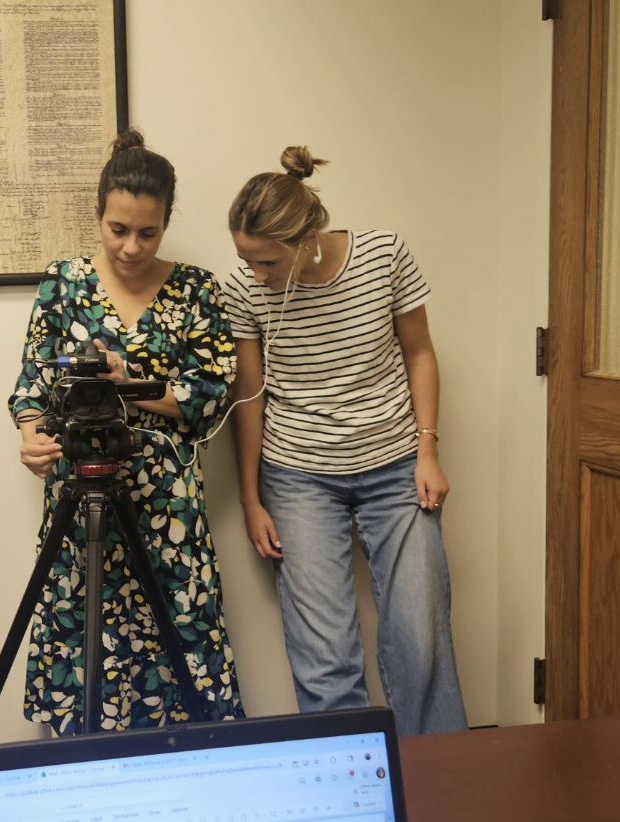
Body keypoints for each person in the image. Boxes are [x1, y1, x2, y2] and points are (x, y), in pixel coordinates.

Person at [221, 146, 467, 736]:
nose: (257, 275)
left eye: (268, 261)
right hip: (298, 477)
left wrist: (428, 452)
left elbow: (420, 354)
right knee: (324, 654)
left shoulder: (383, 255)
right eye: (246, 260)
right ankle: (351, 776)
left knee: (420, 636)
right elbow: (249, 398)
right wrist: (251, 499)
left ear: (307, 236)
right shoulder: (243, 291)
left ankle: (440, 776)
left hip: (396, 465)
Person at [8, 128, 244, 735]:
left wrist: (128, 381)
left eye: (148, 232)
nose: (132, 247)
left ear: (166, 223)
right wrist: (33, 437)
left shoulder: (196, 289)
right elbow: (33, 385)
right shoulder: (63, 283)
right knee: (83, 632)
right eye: (118, 229)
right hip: (80, 496)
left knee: (179, 635)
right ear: (98, 214)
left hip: (167, 508)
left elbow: (214, 391)